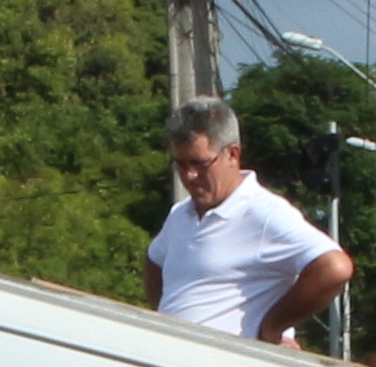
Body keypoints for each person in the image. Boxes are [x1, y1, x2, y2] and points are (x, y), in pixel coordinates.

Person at [146, 99, 353, 348]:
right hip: (170, 363)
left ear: (233, 154)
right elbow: (154, 260)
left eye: (200, 164)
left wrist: (272, 327)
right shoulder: (181, 213)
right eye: (181, 164)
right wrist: (163, 317)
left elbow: (334, 267)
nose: (189, 176)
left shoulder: (264, 213)